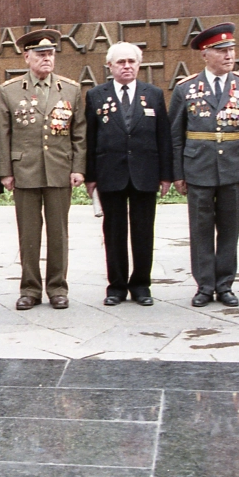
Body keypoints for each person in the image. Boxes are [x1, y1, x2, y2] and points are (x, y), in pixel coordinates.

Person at [169, 23, 239, 308]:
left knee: (230, 229)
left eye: (231, 49)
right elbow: (175, 135)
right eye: (221, 50)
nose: (228, 55)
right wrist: (177, 174)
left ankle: (225, 285)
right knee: (200, 229)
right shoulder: (186, 88)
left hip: (234, 167)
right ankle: (204, 285)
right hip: (198, 167)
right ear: (205, 55)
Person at [0, 29, 86, 310]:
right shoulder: (9, 91)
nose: (47, 59)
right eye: (41, 54)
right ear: (27, 57)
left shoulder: (70, 89)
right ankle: (30, 289)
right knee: (29, 234)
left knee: (59, 233)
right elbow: (2, 134)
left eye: (51, 54)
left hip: (59, 168)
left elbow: (79, 132)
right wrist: (5, 172)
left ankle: (58, 287)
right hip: (26, 170)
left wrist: (78, 168)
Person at [84, 42, 172, 307]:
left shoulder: (153, 94)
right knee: (113, 231)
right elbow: (90, 137)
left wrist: (166, 174)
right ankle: (117, 286)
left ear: (139, 64)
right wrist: (90, 177)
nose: (127, 66)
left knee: (144, 231)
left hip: (145, 172)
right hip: (110, 172)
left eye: (131, 61)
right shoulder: (96, 95)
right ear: (110, 66)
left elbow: (164, 137)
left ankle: (142, 285)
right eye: (121, 62)